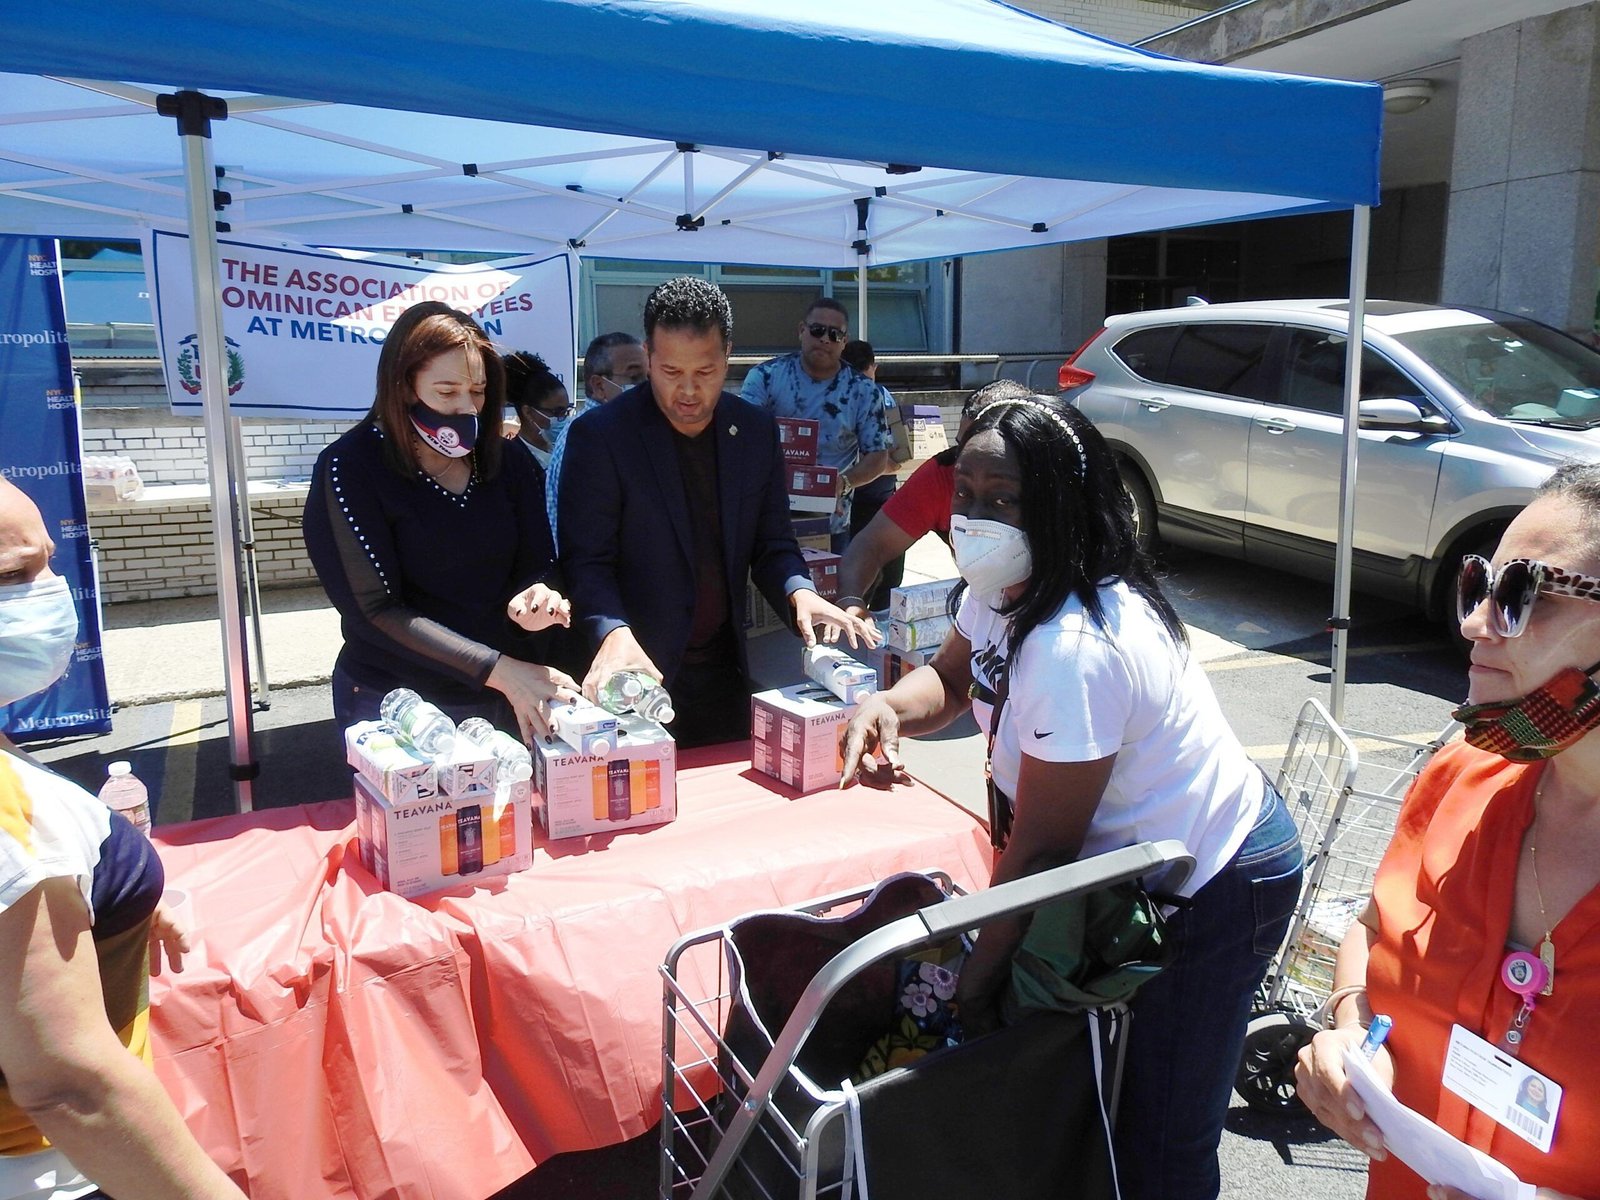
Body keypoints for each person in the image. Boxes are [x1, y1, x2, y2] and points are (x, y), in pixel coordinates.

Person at [838, 394, 1302, 1200]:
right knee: (1106, 1091)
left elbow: (1046, 853)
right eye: (966, 495)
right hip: (1126, 868)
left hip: (1216, 882)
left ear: (1057, 504)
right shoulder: (1004, 583)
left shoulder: (1073, 646)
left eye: (1003, 498)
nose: (974, 518)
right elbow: (952, 678)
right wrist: (889, 707)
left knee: (1160, 1130)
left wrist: (977, 982)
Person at [1296, 462, 1600, 1200]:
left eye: (1525, 595)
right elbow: (1374, 926)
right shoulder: (1463, 770)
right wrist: (1346, 1027)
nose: (1474, 623)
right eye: (1483, 586)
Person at [0, 477, 246, 1200]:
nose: (50, 595)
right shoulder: (16, 823)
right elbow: (73, 1089)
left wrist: (104, 896)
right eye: (12, 575)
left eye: (47, 563)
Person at [558, 276, 877, 748]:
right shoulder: (602, 437)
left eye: (704, 373)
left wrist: (799, 591)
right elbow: (585, 562)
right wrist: (612, 631)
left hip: (722, 674)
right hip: (630, 676)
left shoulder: (753, 430)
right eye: (669, 372)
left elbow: (773, 543)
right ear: (649, 354)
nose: (687, 391)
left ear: (727, 354)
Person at [303, 301, 579, 745]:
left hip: (508, 692)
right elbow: (374, 609)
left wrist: (538, 595)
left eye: (478, 391)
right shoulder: (349, 468)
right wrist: (496, 669)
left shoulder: (507, 459)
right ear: (404, 386)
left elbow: (540, 559)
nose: (466, 408)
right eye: (447, 392)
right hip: (401, 706)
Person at [835, 379, 1032, 618]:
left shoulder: (1060, 484)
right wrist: (851, 599)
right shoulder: (943, 474)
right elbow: (872, 544)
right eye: (962, 445)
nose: (964, 461)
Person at [739, 297, 892, 553]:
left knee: (825, 593)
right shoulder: (765, 377)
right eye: (817, 330)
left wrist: (843, 483)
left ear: (844, 341)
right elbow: (742, 439)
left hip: (829, 525)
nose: (825, 339)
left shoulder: (863, 391)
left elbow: (878, 455)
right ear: (801, 330)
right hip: (768, 518)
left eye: (835, 334)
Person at [546, 332, 650, 551]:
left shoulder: (625, 429)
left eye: (650, 377)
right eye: (635, 378)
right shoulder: (585, 439)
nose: (647, 388)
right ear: (599, 385)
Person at [838, 339, 902, 610]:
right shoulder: (882, 395)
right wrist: (883, 465)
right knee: (885, 573)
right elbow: (900, 454)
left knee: (853, 569)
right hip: (882, 497)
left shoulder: (837, 396)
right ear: (872, 366)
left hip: (848, 499)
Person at [501, 349, 572, 490]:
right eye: (557, 411)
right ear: (528, 412)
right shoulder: (509, 461)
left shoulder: (572, 451)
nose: (563, 419)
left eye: (566, 410)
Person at [581, 331, 648, 407]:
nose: (649, 387)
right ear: (599, 387)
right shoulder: (591, 419)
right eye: (635, 377)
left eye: (650, 377)